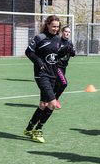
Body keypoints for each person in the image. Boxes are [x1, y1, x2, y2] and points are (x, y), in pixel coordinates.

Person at [23, 15, 62, 143]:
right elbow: (29, 52)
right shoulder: (40, 38)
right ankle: (38, 129)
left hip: (52, 76)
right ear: (48, 25)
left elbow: (57, 57)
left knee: (43, 104)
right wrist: (39, 62)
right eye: (53, 26)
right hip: (41, 75)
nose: (55, 28)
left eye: (57, 26)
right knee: (52, 104)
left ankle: (29, 128)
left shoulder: (58, 39)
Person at [54, 25, 76, 109]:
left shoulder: (70, 42)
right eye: (66, 31)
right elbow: (55, 53)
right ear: (62, 32)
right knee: (64, 83)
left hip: (63, 67)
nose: (67, 33)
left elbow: (73, 54)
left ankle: (49, 100)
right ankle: (55, 99)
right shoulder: (57, 41)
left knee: (56, 85)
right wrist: (63, 50)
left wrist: (71, 51)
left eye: (69, 32)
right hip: (56, 66)